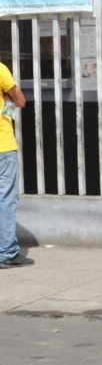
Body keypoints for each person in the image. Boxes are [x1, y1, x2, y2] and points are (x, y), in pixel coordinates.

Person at [0, 62, 31, 269]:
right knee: (6, 197)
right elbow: (20, 100)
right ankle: (7, 252)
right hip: (2, 147)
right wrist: (7, 101)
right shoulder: (0, 69)